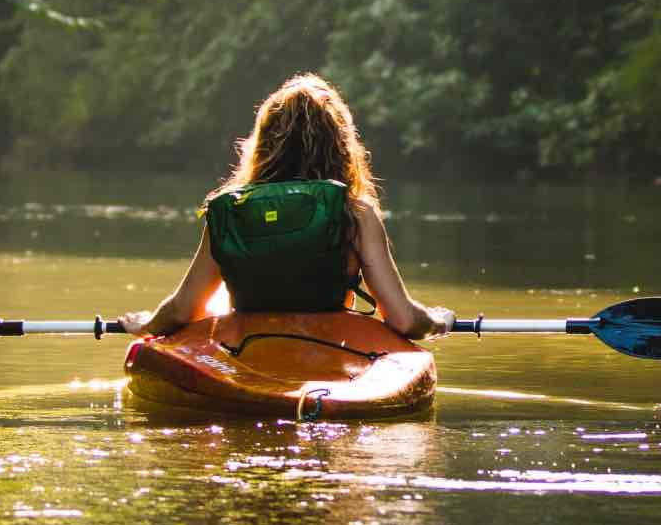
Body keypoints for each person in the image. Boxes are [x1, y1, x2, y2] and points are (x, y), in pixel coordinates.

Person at [118, 74, 454, 340]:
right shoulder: (356, 214)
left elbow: (182, 310)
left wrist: (147, 325)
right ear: (340, 145)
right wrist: (436, 320)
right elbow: (404, 320)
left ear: (263, 142)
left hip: (246, 350)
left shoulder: (231, 211)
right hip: (331, 350)